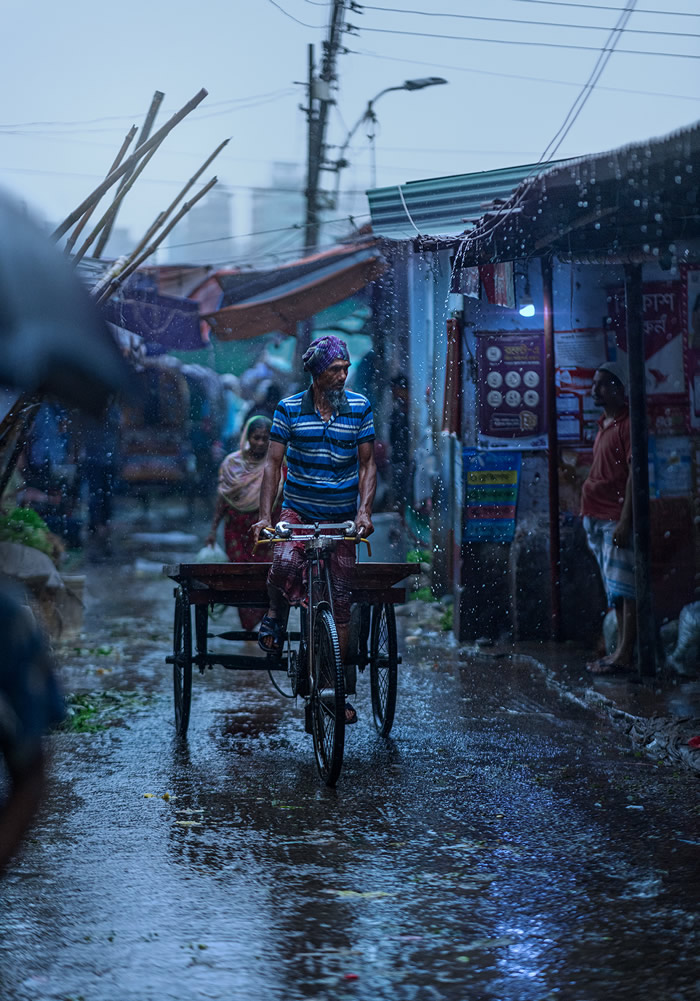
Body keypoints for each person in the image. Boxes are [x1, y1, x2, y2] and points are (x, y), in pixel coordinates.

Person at [252, 335, 377, 724]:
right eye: (334, 370)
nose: (342, 376)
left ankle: (333, 692)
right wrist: (265, 517)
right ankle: (275, 611)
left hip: (341, 519)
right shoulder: (288, 409)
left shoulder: (360, 407)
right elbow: (273, 464)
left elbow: (367, 465)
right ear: (316, 373)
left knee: (340, 601)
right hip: (299, 512)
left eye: (345, 369)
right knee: (284, 564)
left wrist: (364, 512)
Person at [581, 360, 636, 674]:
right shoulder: (606, 423)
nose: (595, 389)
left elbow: (633, 477)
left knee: (626, 589)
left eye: (602, 383)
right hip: (597, 518)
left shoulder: (627, 425)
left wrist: (625, 521)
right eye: (594, 383)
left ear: (618, 388)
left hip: (614, 519)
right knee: (615, 589)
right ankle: (619, 652)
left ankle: (625, 654)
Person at [206, 416, 283, 631]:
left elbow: (285, 502)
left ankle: (268, 624)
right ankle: (251, 626)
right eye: (255, 437)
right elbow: (222, 500)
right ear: (247, 437)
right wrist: (213, 530)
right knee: (241, 576)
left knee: (267, 576)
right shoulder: (231, 464)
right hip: (237, 532)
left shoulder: (277, 466)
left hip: (267, 533)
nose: (259, 443)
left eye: (264, 439)